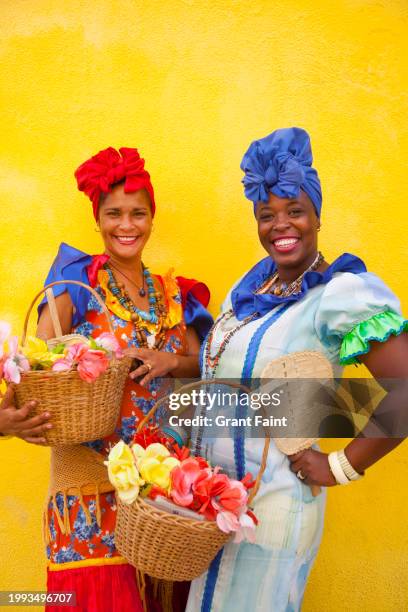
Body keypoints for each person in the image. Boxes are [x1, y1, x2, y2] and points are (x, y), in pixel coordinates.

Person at [186, 128, 408, 612]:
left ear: (317, 217)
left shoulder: (339, 294)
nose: (280, 225)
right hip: (213, 515)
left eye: (295, 211)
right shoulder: (248, 293)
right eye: (267, 215)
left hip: (274, 513)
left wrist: (339, 465)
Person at [2, 146, 213, 612]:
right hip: (88, 496)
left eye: (138, 213)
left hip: (162, 501)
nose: (126, 225)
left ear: (152, 218)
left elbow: (203, 365)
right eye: (114, 213)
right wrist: (7, 420)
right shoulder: (77, 284)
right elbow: (35, 368)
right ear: (97, 218)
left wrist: (168, 361)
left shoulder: (173, 294)